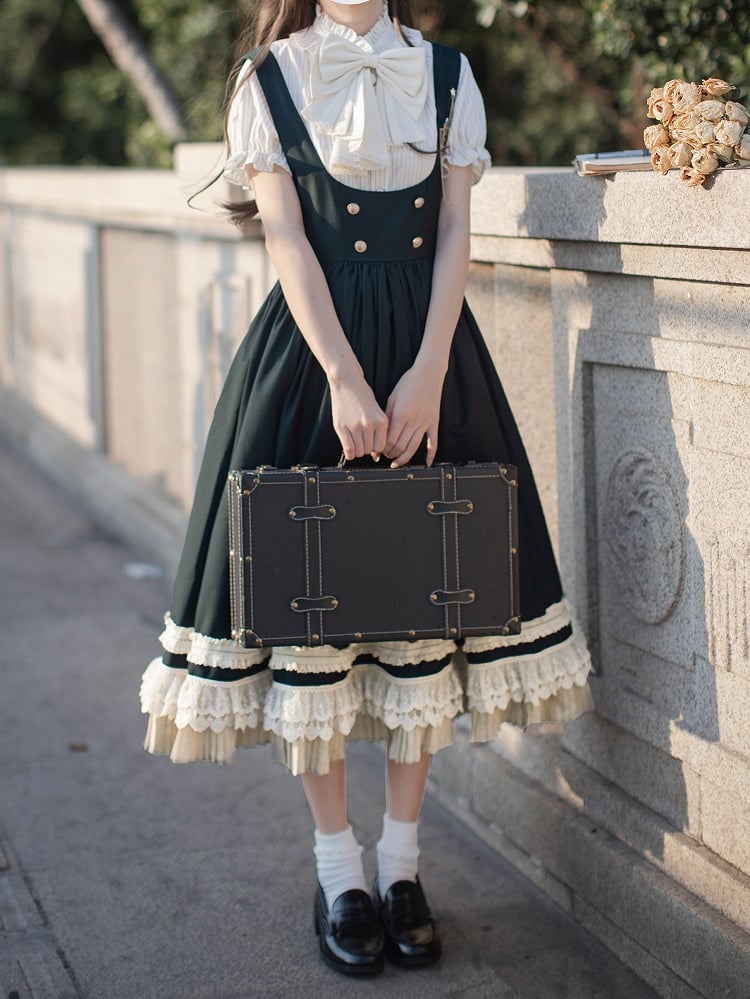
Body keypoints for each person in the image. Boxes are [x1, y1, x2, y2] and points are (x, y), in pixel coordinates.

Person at [139, 0, 595, 977]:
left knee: (420, 610)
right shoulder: (269, 77)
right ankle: (339, 873)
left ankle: (402, 868)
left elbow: (458, 230)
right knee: (317, 617)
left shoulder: (446, 75)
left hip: (432, 359)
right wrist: (346, 379)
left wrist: (429, 371)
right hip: (315, 364)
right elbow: (288, 241)